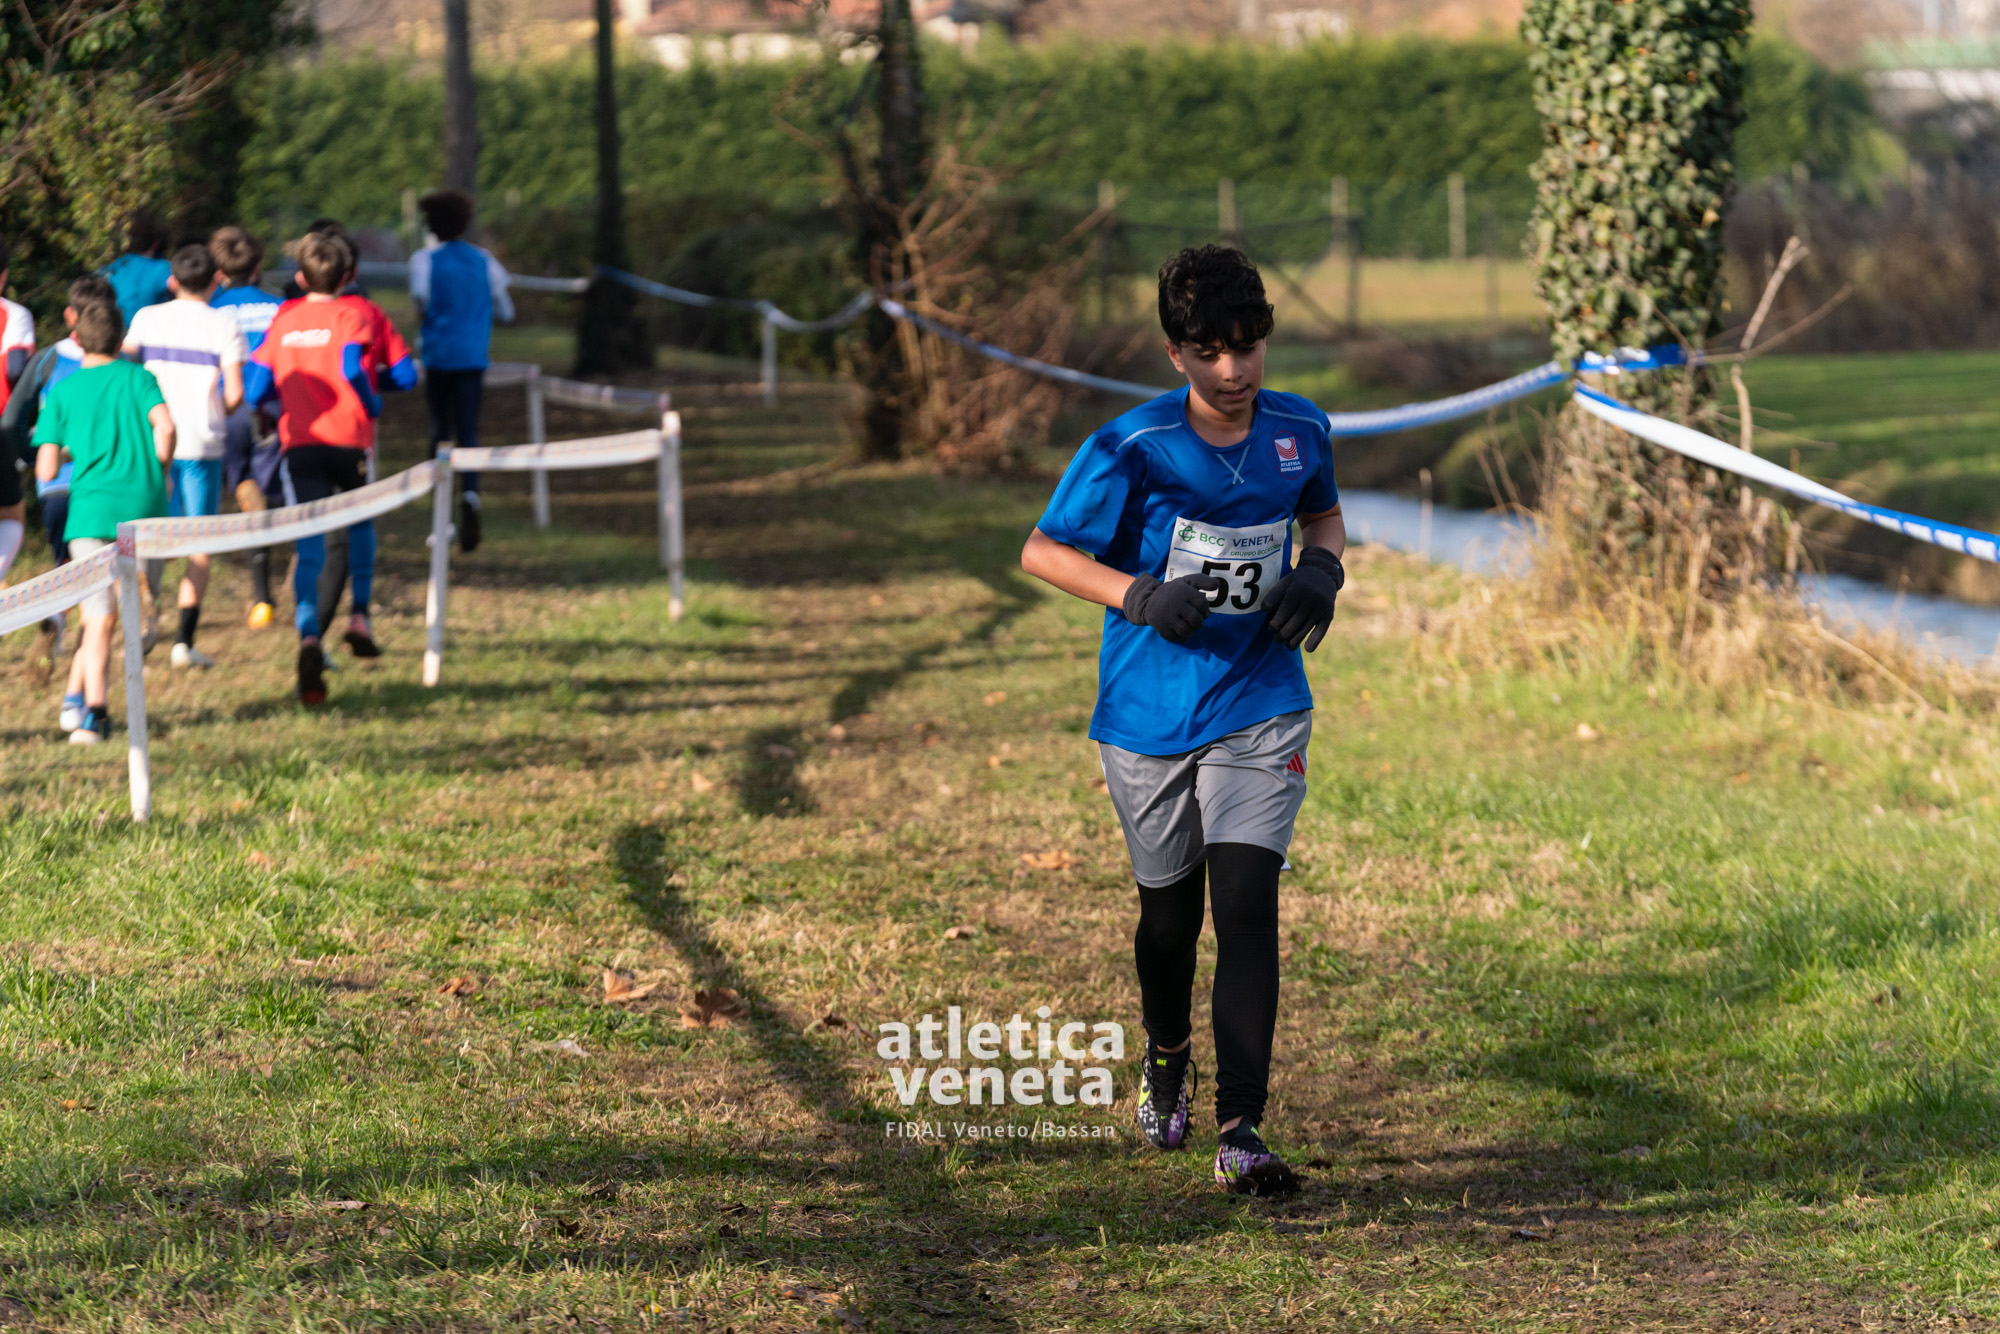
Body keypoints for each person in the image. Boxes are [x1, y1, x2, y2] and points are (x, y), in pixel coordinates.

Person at [1018, 245, 1345, 1197]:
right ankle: (1166, 1053)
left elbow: (1322, 517)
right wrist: (1139, 596)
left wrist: (1323, 570)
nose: (1233, 371)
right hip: (1148, 711)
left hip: (1260, 698)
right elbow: (1041, 550)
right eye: (1209, 353)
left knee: (1246, 905)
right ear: (1176, 354)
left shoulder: (1300, 427)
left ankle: (1242, 1130)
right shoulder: (1132, 446)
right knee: (1170, 919)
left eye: (1248, 347)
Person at [245, 231, 416, 706]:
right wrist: (369, 401)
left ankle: (308, 635)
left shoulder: (284, 319)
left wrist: (284, 397)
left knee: (310, 542)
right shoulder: (352, 314)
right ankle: (359, 613)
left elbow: (256, 387)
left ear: (300, 278)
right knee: (359, 524)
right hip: (350, 440)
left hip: (301, 443)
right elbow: (353, 367)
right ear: (348, 276)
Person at [31, 301, 173, 744]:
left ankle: (93, 712)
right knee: (118, 615)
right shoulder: (140, 378)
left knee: (98, 616)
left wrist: (70, 450)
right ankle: (83, 698)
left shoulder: (63, 391)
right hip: (142, 511)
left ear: (76, 339)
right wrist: (159, 466)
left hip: (89, 515)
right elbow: (166, 429)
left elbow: (45, 468)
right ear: (120, 339)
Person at [124, 243, 248, 669]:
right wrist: (217, 408)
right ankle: (183, 642)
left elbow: (127, 370)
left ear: (172, 281)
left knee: (145, 530)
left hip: (152, 442)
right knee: (199, 544)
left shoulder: (146, 318)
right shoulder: (224, 323)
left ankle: (142, 613)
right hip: (200, 443)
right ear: (216, 279)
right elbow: (235, 393)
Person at [2, 274, 115, 696]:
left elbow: (11, 420)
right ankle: (80, 694)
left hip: (54, 488)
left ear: (70, 316)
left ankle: (56, 620)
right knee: (96, 583)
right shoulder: (123, 367)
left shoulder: (47, 359)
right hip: (102, 487)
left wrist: (32, 459)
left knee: (66, 565)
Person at [409, 187, 514, 554]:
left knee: (440, 431)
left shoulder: (423, 261)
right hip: (472, 358)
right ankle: (471, 493)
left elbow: (421, 302)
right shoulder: (484, 260)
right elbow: (507, 310)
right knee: (469, 429)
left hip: (438, 358)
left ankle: (442, 512)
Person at [208, 225, 285, 629]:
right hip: (271, 410)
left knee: (245, 492)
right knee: (272, 494)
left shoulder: (209, 311)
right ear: (257, 267)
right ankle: (267, 591)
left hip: (226, 411)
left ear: (218, 271)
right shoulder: (279, 307)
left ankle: (261, 596)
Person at [100, 211, 173, 326]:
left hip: (115, 332)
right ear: (156, 243)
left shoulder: (110, 269)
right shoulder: (163, 269)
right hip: (151, 332)